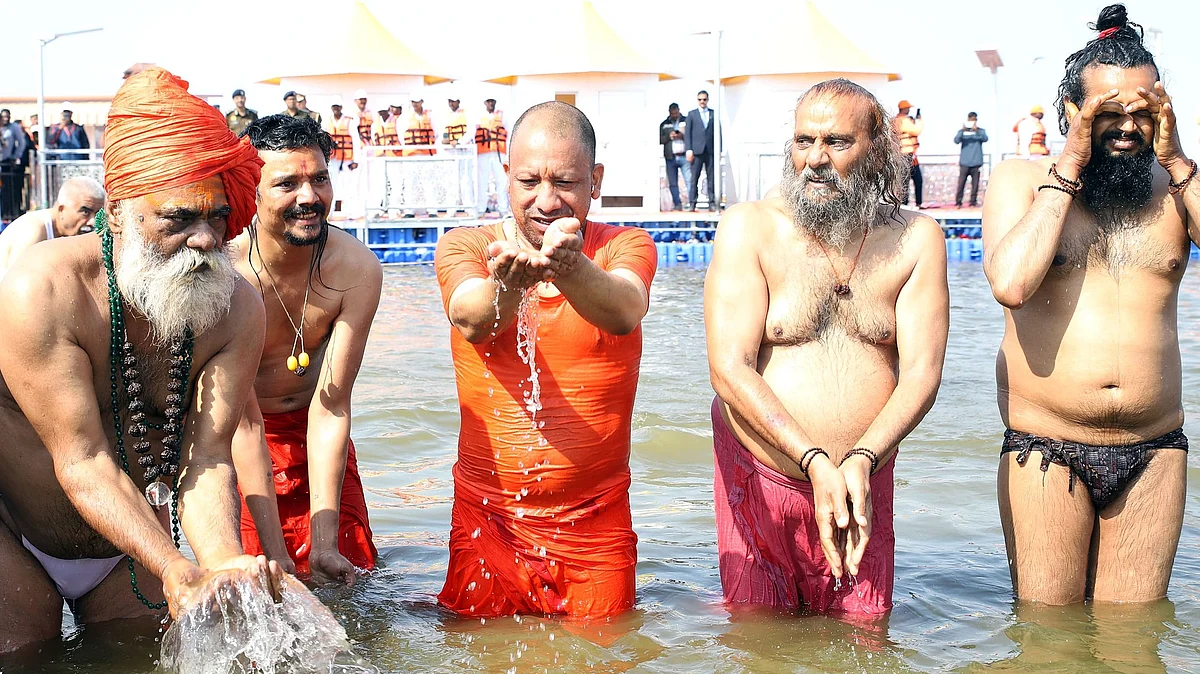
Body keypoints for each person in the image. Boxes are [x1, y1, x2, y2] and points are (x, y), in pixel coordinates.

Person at [0, 66, 285, 654]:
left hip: (130, 549)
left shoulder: (237, 307)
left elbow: (207, 457)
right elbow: (82, 461)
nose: (205, 239)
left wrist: (222, 564)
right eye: (179, 219)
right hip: (13, 532)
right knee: (23, 655)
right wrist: (175, 567)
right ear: (118, 214)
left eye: (218, 216)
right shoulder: (42, 288)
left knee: (152, 652)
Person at [982, 4, 1200, 605]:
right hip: (1045, 449)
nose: (1126, 127)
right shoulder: (1023, 181)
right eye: (1107, 112)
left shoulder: (1177, 187)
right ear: (1072, 111)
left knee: (1136, 637)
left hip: (1156, 449)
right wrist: (1071, 164)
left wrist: (1177, 160)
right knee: (1048, 636)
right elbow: (1011, 283)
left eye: (1143, 111)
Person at [705, 78, 949, 617]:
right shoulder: (750, 228)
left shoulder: (916, 239)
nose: (815, 159)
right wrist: (813, 460)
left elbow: (922, 375)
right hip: (763, 479)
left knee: (865, 634)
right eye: (803, 141)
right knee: (758, 637)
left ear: (877, 150)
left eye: (836, 142)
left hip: (864, 482)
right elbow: (728, 368)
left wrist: (862, 458)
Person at [434, 101, 657, 618]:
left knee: (606, 651)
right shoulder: (468, 247)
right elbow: (470, 318)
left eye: (566, 182)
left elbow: (625, 310)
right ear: (506, 176)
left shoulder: (625, 245)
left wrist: (569, 267)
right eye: (529, 181)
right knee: (478, 651)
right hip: (488, 519)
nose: (547, 200)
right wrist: (508, 286)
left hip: (595, 526)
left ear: (595, 181)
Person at [232, 114, 381, 585]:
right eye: (287, 184)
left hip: (321, 440)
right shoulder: (225, 276)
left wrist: (324, 542)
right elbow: (244, 424)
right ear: (251, 193)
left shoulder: (356, 268)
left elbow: (332, 406)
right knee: (259, 585)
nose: (309, 197)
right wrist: (275, 554)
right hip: (242, 441)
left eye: (319, 179)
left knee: (352, 582)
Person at [0, 176, 105, 282]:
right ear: (61, 210)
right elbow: (16, 282)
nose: (93, 222)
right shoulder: (34, 230)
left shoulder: (67, 234)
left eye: (97, 213)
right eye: (85, 212)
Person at [323, 97, 360, 218]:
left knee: (349, 185)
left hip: (347, 158)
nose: (336, 109)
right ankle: (329, 213)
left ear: (341, 107)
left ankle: (351, 212)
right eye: (334, 107)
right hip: (332, 158)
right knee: (331, 184)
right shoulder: (326, 121)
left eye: (338, 107)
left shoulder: (350, 121)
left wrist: (356, 160)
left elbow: (356, 141)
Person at [685, 90, 718, 212]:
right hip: (696, 151)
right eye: (700, 99)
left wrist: (718, 150)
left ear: (707, 100)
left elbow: (717, 132)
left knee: (711, 178)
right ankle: (692, 203)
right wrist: (689, 149)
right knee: (694, 178)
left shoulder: (713, 113)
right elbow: (687, 133)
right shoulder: (692, 114)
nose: (702, 102)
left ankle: (712, 203)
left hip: (710, 151)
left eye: (704, 99)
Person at [475, 97, 508, 218]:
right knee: (482, 181)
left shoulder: (503, 116)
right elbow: (471, 134)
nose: (490, 104)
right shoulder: (478, 117)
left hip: (499, 152)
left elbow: (509, 133)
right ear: (485, 103)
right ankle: (480, 209)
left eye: (492, 101)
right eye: (488, 101)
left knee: (501, 181)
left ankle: (503, 209)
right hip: (483, 153)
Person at [660, 103, 691, 211]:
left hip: (684, 156)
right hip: (671, 157)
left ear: (679, 111)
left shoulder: (686, 121)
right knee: (673, 183)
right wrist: (669, 136)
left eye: (676, 113)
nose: (674, 115)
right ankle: (677, 204)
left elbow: (693, 136)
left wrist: (682, 136)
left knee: (689, 180)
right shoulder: (664, 124)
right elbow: (659, 139)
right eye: (672, 113)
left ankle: (691, 203)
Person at [954, 112, 989, 208]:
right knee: (961, 183)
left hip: (976, 162)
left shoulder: (980, 131)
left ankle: (973, 202)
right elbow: (956, 140)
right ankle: (958, 202)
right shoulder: (962, 132)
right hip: (964, 162)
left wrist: (976, 130)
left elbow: (985, 139)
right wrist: (963, 130)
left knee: (975, 184)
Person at [894, 100, 923, 208]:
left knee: (906, 180)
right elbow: (916, 130)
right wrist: (919, 120)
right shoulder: (903, 121)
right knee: (911, 180)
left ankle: (905, 203)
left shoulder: (896, 120)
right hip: (906, 154)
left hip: (905, 154)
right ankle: (909, 203)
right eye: (908, 108)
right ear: (904, 109)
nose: (909, 110)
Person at [0, 109, 28, 221]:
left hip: (6, 161)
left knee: (8, 189)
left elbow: (21, 143)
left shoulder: (13, 127)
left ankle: (8, 213)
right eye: (3, 117)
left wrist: (15, 156)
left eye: (7, 116)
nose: (5, 119)